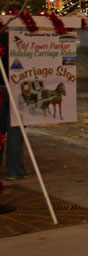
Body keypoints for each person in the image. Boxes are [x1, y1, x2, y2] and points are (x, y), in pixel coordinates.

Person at [0, 33, 30, 181]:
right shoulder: (17, 33)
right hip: (11, 86)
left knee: (14, 131)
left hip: (14, 86)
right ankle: (15, 170)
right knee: (15, 131)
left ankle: (15, 169)